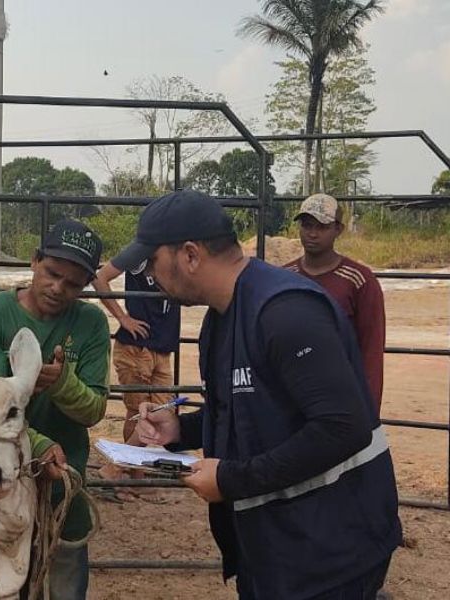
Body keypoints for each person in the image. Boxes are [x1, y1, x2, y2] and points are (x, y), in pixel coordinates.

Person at [124, 190, 401, 599]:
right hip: (278, 541)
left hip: (330, 546)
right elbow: (250, 406)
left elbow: (344, 426)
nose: (150, 275)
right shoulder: (223, 317)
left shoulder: (284, 311)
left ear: (190, 255)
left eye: (153, 263)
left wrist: (231, 479)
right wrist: (180, 429)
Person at [0, 220, 110, 600]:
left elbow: (93, 408)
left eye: (74, 283)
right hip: (3, 467)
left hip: (65, 473)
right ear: (34, 261)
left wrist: (62, 382)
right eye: (52, 273)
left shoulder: (91, 322)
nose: (58, 288)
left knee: (65, 563)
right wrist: (40, 444)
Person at [284, 193, 386, 414]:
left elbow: (371, 349)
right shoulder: (284, 277)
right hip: (293, 393)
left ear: (338, 229)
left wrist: (368, 411)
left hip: (340, 393)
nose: (312, 233)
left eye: (322, 227)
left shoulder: (359, 280)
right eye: (307, 225)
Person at [92, 256, 180, 443]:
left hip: (161, 347)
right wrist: (123, 318)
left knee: (161, 413)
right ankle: (129, 470)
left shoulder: (179, 253)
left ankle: (121, 468)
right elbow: (99, 278)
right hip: (137, 346)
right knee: (138, 412)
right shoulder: (141, 250)